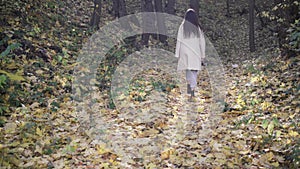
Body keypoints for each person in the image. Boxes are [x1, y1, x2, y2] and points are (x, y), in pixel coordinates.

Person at [175, 8, 206, 101]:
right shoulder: (198, 28)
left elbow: (179, 40)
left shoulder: (183, 26)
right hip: (195, 52)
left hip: (185, 52)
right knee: (194, 71)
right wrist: (203, 55)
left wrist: (177, 54)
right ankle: (192, 88)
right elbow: (202, 42)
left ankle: (190, 88)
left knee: (188, 71)